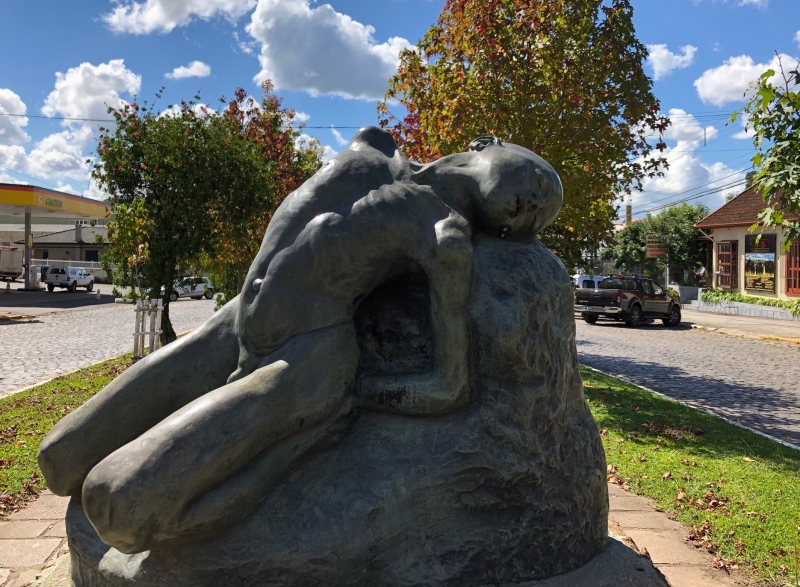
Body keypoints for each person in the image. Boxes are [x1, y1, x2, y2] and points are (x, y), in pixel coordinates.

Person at [38, 127, 563, 554]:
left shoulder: (446, 239)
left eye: (542, 217)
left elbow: (449, 385)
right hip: (233, 321)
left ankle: (299, 445)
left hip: (305, 357)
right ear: (490, 143)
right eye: (541, 179)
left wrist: (355, 397)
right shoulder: (376, 143)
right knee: (59, 459)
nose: (536, 206)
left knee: (118, 505)